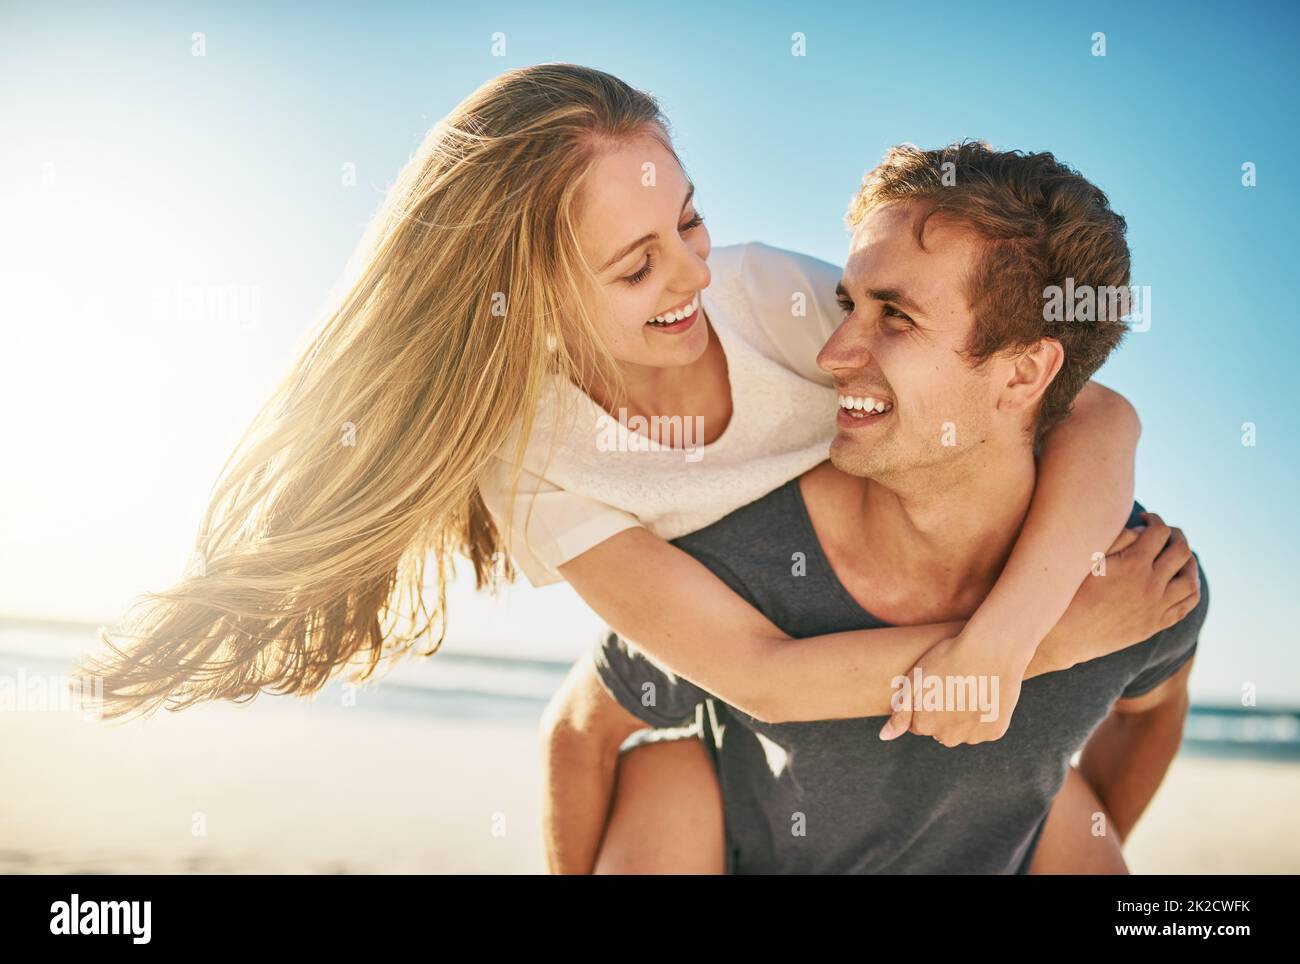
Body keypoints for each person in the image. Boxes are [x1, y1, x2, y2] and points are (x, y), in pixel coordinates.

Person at [76, 66, 1185, 873]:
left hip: (862, 571)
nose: (687, 274)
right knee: (634, 743)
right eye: (632, 264)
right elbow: (756, 676)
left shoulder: (777, 303)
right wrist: (1050, 643)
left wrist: (1001, 639)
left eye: (689, 219)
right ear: (534, 291)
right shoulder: (530, 461)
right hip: (729, 638)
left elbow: (1091, 411)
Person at [545, 142, 1207, 874]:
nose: (831, 354)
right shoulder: (735, 566)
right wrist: (1026, 647)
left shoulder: (1130, 579)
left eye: (895, 317)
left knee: (1070, 811)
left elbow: (1152, 714)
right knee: (662, 768)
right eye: (849, 304)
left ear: (1024, 374)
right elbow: (582, 730)